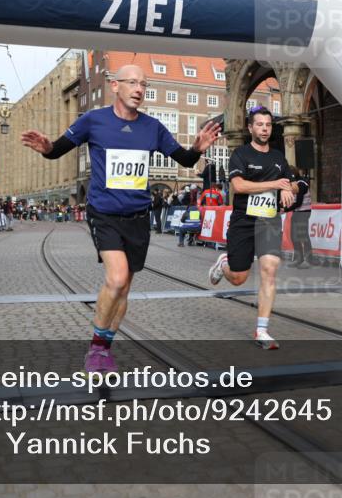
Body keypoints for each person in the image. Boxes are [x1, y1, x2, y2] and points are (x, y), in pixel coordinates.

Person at [21, 64, 221, 373]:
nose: (139, 89)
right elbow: (57, 150)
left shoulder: (152, 127)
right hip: (104, 213)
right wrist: (47, 148)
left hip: (138, 216)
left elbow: (184, 158)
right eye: (132, 83)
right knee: (115, 279)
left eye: (144, 84)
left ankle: (105, 346)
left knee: (124, 287)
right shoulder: (93, 120)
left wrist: (196, 148)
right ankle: (96, 348)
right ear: (115, 86)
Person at [207, 106, 296, 349]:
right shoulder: (241, 155)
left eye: (268, 125)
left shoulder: (278, 157)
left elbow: (289, 181)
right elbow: (240, 186)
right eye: (260, 124)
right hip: (243, 221)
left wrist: (288, 188)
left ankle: (262, 330)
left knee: (269, 269)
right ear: (250, 127)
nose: (265, 129)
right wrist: (275, 184)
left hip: (268, 220)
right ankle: (224, 263)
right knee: (238, 278)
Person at [287, 168, 314, 268]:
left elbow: (298, 202)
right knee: (294, 236)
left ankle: (309, 260)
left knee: (303, 236)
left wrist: (286, 209)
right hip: (297, 212)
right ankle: (299, 259)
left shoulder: (301, 184)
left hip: (303, 213)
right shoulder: (294, 184)